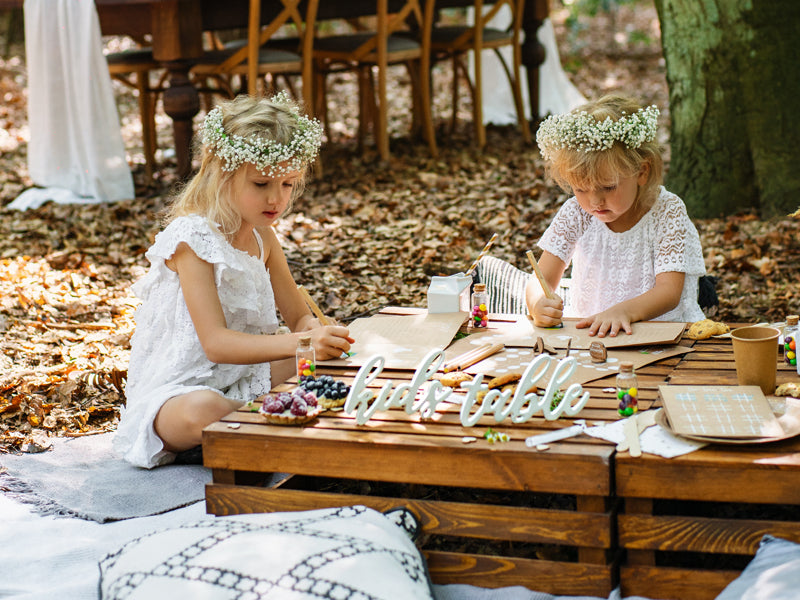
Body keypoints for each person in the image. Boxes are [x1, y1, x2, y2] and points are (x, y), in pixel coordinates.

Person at [114, 93, 353, 468]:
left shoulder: (262, 236)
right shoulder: (191, 238)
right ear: (222, 171)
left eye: (288, 184)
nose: (277, 198)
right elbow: (216, 344)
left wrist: (318, 331)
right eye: (261, 184)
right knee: (203, 409)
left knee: (337, 363)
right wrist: (305, 341)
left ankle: (253, 425)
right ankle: (267, 421)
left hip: (244, 378)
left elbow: (298, 317)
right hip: (181, 391)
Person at [526, 93, 706, 337]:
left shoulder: (667, 211)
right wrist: (537, 303)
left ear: (642, 171)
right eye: (580, 189)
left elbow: (669, 292)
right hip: (593, 335)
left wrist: (623, 312)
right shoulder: (577, 213)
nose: (594, 201)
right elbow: (540, 277)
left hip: (664, 336)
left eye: (608, 187)